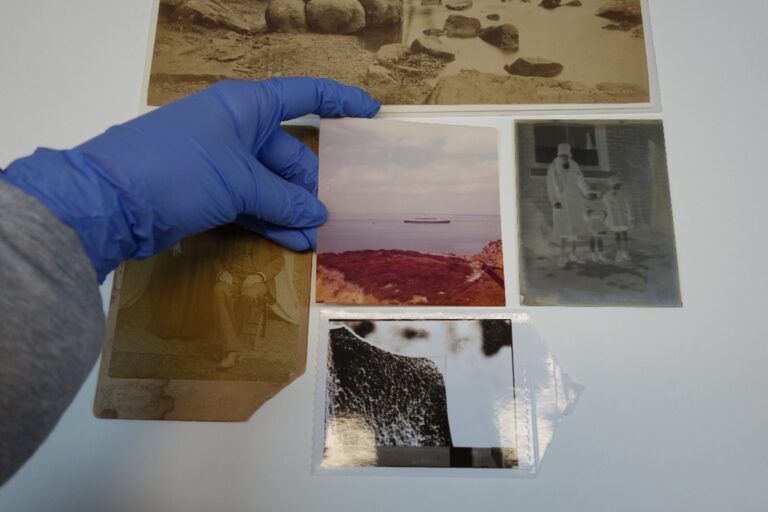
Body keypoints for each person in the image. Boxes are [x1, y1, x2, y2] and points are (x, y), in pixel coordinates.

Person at [0, 77, 380, 486]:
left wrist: (92, 202)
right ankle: (229, 347)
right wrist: (94, 206)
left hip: (254, 275)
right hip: (223, 276)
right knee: (218, 288)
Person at [546, 143, 596, 267]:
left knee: (574, 231)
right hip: (562, 202)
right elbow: (551, 185)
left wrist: (586, 192)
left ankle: (573, 254)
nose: (564, 157)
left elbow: (581, 181)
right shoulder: (553, 166)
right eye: (561, 155)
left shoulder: (574, 165)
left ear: (569, 154)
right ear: (558, 154)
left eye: (566, 154)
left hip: (575, 200)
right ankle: (563, 256)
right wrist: (555, 201)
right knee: (563, 232)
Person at [603, 176, 634, 262]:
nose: (616, 186)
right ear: (610, 185)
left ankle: (625, 252)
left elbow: (629, 206)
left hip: (623, 218)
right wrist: (606, 218)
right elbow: (605, 208)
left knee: (624, 235)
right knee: (617, 236)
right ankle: (619, 252)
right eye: (613, 185)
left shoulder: (624, 194)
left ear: (620, 185)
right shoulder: (606, 196)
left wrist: (631, 216)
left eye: (617, 185)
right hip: (614, 218)